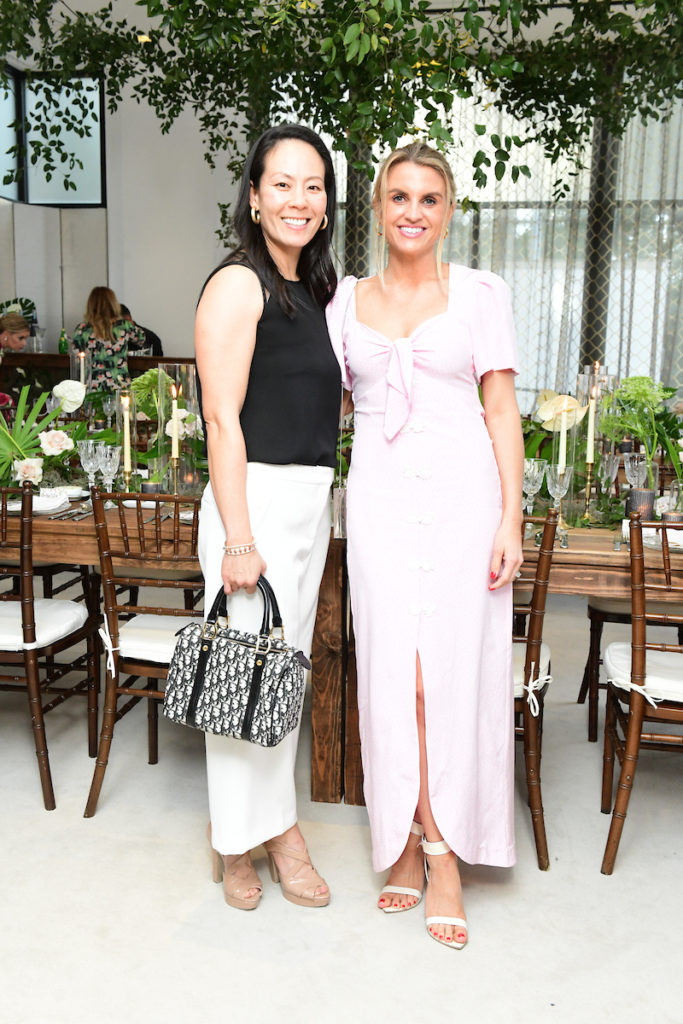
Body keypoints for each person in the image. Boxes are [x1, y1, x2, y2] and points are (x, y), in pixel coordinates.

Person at [326, 142, 524, 949]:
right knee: (395, 681)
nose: (413, 211)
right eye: (399, 196)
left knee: (447, 678)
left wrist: (510, 518)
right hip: (378, 502)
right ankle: (408, 837)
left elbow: (501, 409)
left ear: (448, 212)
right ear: (377, 207)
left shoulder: (479, 293)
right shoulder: (344, 301)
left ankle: (441, 853)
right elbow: (328, 405)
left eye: (429, 199)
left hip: (461, 503)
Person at [195, 124, 340, 911]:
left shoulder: (312, 291)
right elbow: (221, 419)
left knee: (281, 680)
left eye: (312, 186)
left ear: (326, 204)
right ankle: (239, 844)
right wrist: (239, 537)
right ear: (253, 198)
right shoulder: (237, 283)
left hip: (304, 504)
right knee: (238, 679)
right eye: (281, 183)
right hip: (249, 502)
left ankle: (273, 824)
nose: (298, 199)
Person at [72, 287, 145, 390]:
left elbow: (76, 358)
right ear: (113, 304)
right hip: (119, 385)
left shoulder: (82, 329)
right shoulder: (124, 326)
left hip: (92, 387)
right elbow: (142, 339)